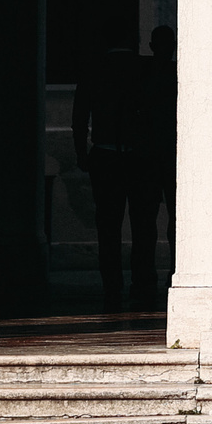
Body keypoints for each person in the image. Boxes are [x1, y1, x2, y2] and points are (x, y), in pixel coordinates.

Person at [71, 26, 175, 310]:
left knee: (108, 225)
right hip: (142, 158)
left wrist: (82, 152)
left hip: (105, 156)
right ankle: (143, 283)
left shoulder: (94, 69)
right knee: (144, 225)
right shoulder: (146, 67)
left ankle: (112, 285)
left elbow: (80, 116)